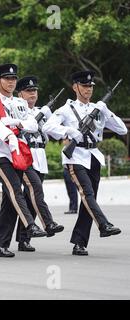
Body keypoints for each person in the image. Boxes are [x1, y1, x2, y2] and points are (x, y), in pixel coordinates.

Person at [43, 70, 127, 256]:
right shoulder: (66, 109)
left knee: (88, 201)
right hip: (76, 157)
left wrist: (106, 111)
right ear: (75, 87)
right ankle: (104, 224)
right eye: (84, 86)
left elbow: (121, 130)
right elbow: (48, 126)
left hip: (94, 156)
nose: (88, 89)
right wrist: (70, 131)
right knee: (87, 194)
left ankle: (79, 243)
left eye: (90, 86)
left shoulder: (98, 109)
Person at [0, 63, 48, 258]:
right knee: (15, 190)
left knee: (9, 202)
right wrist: (9, 135)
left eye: (13, 79)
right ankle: (30, 225)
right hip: (0, 153)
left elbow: (33, 123)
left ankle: (0, 245)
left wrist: (15, 123)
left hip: (18, 154)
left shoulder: (19, 103)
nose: (11, 82)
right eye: (7, 79)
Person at [14, 76, 64, 252]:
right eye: (28, 91)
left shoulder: (42, 111)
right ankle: (48, 223)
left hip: (40, 155)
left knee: (30, 199)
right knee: (36, 191)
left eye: (34, 91)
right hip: (25, 156)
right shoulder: (17, 111)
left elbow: (55, 134)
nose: (32, 94)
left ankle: (24, 239)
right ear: (20, 94)